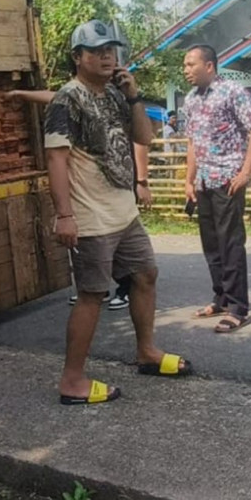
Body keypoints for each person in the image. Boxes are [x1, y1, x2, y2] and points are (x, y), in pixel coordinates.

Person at [46, 20, 191, 405]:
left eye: (111, 49)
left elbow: (145, 137)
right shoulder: (67, 99)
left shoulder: (115, 94)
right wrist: (64, 215)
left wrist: (133, 97)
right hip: (90, 215)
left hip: (124, 212)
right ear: (78, 57)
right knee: (92, 294)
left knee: (145, 275)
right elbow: (56, 159)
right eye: (96, 51)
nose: (107, 56)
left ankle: (146, 352)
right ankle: (71, 380)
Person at [4, 88, 155, 311]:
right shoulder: (80, 96)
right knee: (97, 267)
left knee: (134, 264)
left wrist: (141, 181)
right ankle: (101, 291)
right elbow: (57, 97)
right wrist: (22, 94)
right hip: (96, 203)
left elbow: (141, 141)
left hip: (120, 194)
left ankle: (124, 291)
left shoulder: (120, 97)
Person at [181, 44, 251, 333]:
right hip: (204, 180)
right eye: (185, 65)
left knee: (230, 243)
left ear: (209, 66)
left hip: (228, 178)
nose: (186, 70)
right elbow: (192, 143)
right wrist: (189, 180)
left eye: (191, 64)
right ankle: (221, 298)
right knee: (212, 244)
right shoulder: (190, 100)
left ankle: (238, 307)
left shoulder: (233, 92)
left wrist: (245, 172)